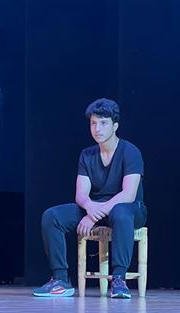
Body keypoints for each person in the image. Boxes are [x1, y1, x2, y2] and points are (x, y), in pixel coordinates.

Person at [33, 98, 147, 299]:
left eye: (103, 123)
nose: (97, 129)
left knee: (120, 212)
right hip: (96, 208)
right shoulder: (87, 155)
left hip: (129, 209)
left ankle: (118, 279)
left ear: (115, 126)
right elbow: (81, 195)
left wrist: (93, 215)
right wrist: (89, 208)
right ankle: (60, 280)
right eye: (93, 123)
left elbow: (128, 195)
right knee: (52, 216)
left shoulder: (130, 152)